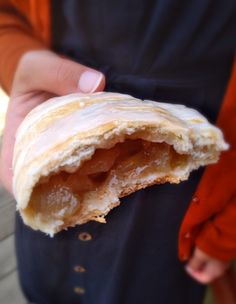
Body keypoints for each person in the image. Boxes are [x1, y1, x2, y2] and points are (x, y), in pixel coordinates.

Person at [0, 1, 235, 303]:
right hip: (57, 129)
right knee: (45, 288)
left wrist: (225, 234)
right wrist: (17, 61)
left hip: (180, 209)